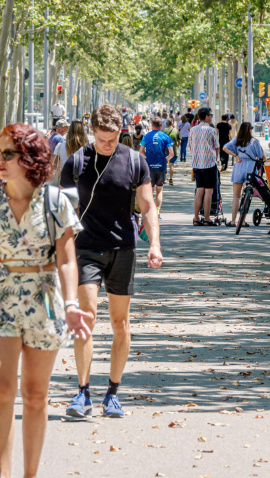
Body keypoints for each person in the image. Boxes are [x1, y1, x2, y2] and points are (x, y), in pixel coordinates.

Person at [0, 123, 92, 478]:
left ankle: (30, 474)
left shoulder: (55, 202)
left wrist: (71, 304)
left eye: (8, 153)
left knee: (36, 395)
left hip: (45, 301)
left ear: (30, 157)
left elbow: (68, 260)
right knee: (2, 391)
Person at [60, 105, 163, 419]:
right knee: (86, 318)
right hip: (86, 248)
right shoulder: (75, 163)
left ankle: (113, 394)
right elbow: (64, 214)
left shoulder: (134, 162)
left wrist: (155, 243)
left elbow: (147, 207)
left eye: (113, 137)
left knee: (120, 323)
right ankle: (82, 393)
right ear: (92, 132)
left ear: (121, 132)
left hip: (123, 249)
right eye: (102, 138)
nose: (108, 144)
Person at [222, 121, 264, 227]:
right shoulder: (254, 141)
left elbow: (225, 148)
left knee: (236, 196)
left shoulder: (237, 140)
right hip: (251, 167)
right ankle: (243, 221)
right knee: (247, 196)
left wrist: (235, 155)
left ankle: (232, 221)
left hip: (239, 167)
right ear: (250, 129)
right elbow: (260, 155)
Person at [139, 116, 175, 220]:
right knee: (159, 190)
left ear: (151, 125)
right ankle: (157, 212)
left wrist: (147, 158)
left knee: (149, 190)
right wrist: (165, 159)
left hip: (149, 166)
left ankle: (149, 212)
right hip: (161, 166)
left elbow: (140, 151)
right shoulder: (166, 137)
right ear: (161, 125)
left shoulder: (146, 136)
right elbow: (171, 154)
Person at [189, 108, 220, 226]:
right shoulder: (211, 130)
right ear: (206, 117)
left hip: (197, 164)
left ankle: (196, 218)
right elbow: (217, 147)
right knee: (208, 192)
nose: (211, 117)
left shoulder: (193, 130)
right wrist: (215, 158)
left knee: (199, 190)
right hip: (209, 164)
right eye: (210, 115)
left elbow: (190, 146)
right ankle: (207, 218)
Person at [51, 120, 89, 186]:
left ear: (69, 131)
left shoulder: (60, 145)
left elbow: (53, 165)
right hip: (83, 182)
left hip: (65, 181)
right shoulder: (87, 147)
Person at [162, 118, 181, 185]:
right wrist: (177, 146)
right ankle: (171, 178)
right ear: (172, 123)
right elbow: (179, 141)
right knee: (171, 165)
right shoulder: (176, 130)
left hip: (165, 150)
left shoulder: (163, 130)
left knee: (164, 165)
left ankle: (164, 179)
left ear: (166, 124)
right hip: (173, 150)